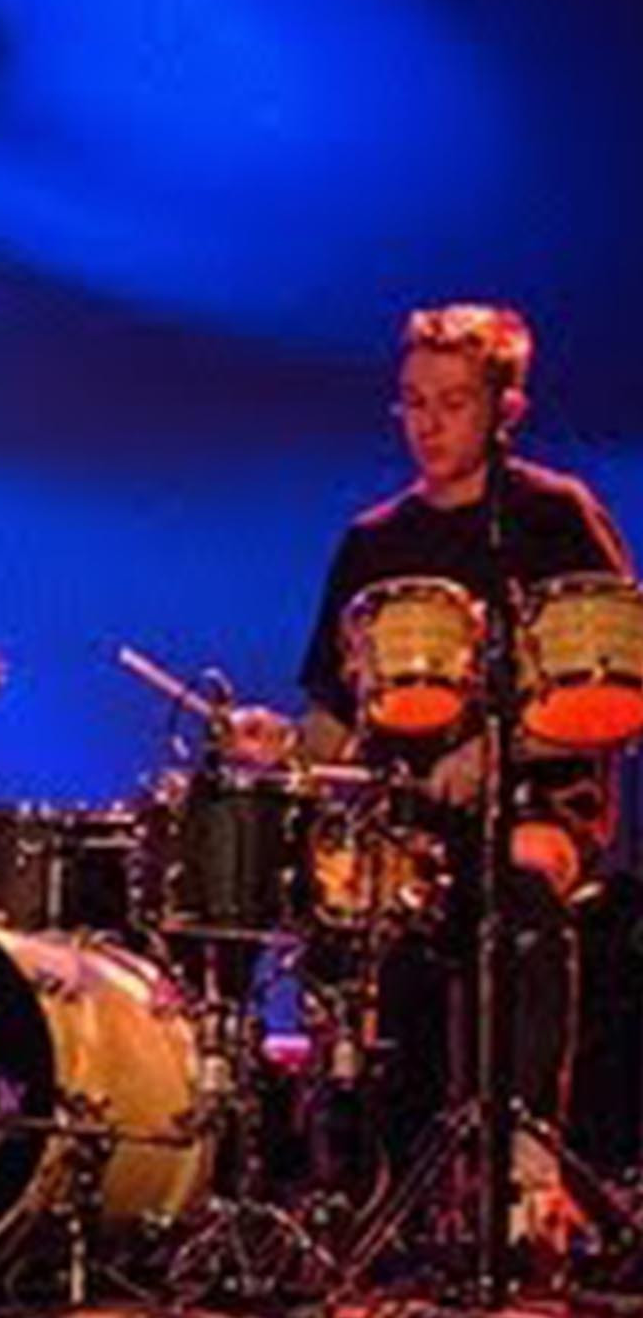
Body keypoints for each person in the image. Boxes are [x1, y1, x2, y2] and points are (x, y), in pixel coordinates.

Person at [225, 303, 633, 1205]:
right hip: (408, 826)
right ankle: (374, 1182)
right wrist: (282, 744)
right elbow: (337, 720)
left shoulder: (553, 514)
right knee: (341, 916)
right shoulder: (373, 541)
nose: (427, 423)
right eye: (412, 402)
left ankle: (525, 1166)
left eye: (451, 402)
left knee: (516, 881)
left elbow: (620, 690)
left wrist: (500, 745)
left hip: (536, 809)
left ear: (503, 409)